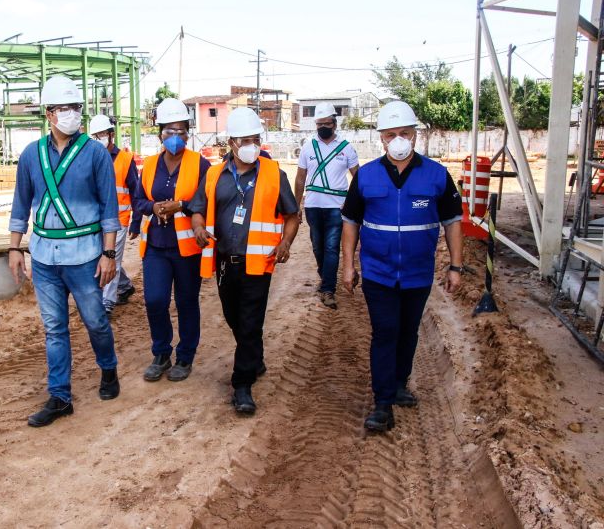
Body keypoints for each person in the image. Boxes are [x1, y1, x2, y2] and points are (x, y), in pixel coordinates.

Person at [340, 100, 463, 433]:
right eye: (391, 134)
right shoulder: (366, 176)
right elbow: (350, 220)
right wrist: (348, 266)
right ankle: (382, 404)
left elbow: (452, 221)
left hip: (417, 272)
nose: (398, 140)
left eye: (404, 133)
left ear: (415, 135)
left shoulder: (437, 175)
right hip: (378, 272)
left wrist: (456, 266)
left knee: (408, 331)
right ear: (381, 138)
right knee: (385, 332)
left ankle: (398, 383)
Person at [8, 76, 121, 428]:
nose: (70, 114)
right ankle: (60, 396)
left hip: (85, 255)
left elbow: (109, 208)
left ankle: (108, 369)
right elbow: (20, 204)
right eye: (62, 108)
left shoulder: (95, 154)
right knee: (54, 328)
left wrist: (109, 255)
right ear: (48, 114)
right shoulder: (31, 154)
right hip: (43, 257)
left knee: (96, 321)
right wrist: (14, 248)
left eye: (75, 108)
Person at [190, 107, 299, 415]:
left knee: (250, 322)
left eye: (255, 139)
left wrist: (286, 242)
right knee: (235, 319)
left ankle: (242, 385)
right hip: (225, 262)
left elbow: (292, 215)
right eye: (244, 140)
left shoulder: (274, 174)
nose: (251, 145)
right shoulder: (214, 175)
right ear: (231, 144)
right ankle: (255, 356)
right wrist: (198, 226)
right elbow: (198, 208)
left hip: (258, 263)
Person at [132, 97, 211, 382]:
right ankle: (161, 353)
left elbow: (205, 201)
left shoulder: (199, 164)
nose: (175, 137)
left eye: (181, 131)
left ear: (188, 133)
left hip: (187, 248)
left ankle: (185, 356)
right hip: (155, 244)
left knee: (187, 301)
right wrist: (152, 207)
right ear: (159, 132)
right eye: (169, 131)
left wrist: (180, 205)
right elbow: (138, 200)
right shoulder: (150, 165)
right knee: (154, 300)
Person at [295, 102, 359, 310]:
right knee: (317, 246)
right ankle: (326, 279)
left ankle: (328, 289)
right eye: (319, 124)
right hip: (313, 206)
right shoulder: (308, 146)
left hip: (336, 207)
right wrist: (297, 205)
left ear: (334, 123)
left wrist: (357, 205)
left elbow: (358, 178)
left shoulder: (346, 148)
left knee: (331, 247)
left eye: (326, 123)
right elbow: (300, 178)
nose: (322, 127)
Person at [88, 114, 139, 315]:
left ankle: (106, 302)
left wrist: (136, 223)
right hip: (96, 220)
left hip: (119, 219)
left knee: (111, 258)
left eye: (101, 134)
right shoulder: (92, 157)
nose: (98, 138)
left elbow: (136, 193)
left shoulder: (126, 160)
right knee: (102, 257)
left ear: (111, 134)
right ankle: (125, 286)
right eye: (95, 135)